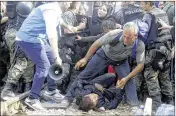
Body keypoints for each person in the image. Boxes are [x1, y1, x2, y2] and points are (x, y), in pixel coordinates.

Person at [59, 22, 145, 108]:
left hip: (120, 61)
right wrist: (85, 58)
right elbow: (96, 44)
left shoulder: (139, 45)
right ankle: (67, 99)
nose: (125, 40)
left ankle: (133, 104)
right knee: (84, 76)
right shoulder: (113, 34)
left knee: (128, 80)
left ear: (135, 36)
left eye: (129, 38)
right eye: (124, 36)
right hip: (103, 55)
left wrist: (126, 78)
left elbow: (140, 66)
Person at [15, 2, 78, 110]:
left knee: (52, 62)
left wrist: (68, 26)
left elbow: (59, 20)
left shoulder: (56, 9)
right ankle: (32, 98)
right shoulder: (50, 10)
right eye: (67, 1)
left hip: (39, 39)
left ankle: (51, 90)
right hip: (28, 39)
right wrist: (57, 56)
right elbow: (52, 34)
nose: (69, 3)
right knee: (44, 66)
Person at [139, 1, 174, 111]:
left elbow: (143, 33)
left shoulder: (148, 15)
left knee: (150, 75)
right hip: (167, 49)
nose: (141, 5)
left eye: (142, 3)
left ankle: (156, 104)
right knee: (165, 76)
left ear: (149, 4)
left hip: (156, 49)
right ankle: (169, 102)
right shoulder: (162, 12)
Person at [1, 2, 35, 100]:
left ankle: (26, 87)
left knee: (25, 60)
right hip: (18, 33)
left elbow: (7, 14)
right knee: (22, 61)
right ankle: (8, 89)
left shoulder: (12, 4)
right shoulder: (23, 4)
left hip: (13, 32)